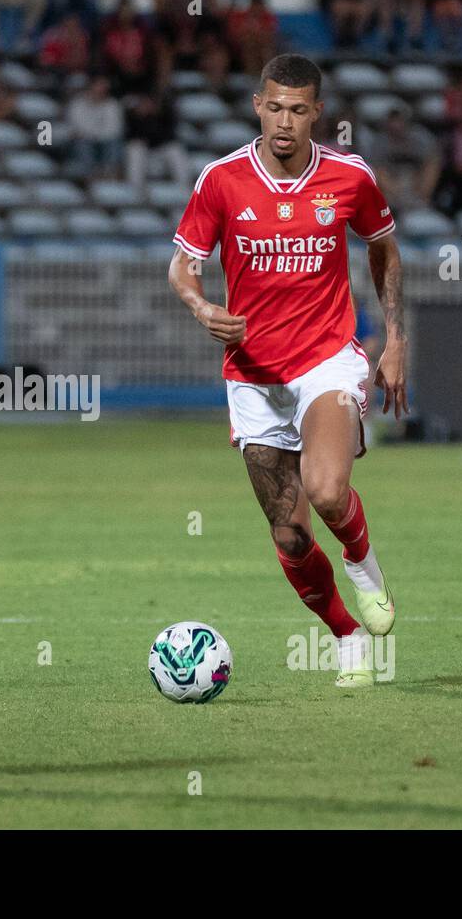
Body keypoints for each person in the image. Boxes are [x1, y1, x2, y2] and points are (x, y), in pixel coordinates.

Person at [167, 54, 404, 689]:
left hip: (326, 358)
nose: (285, 121)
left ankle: (364, 568)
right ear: (257, 105)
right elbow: (182, 268)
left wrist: (394, 339)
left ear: (317, 114)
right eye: (274, 107)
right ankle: (348, 639)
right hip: (251, 378)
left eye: (298, 110)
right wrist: (201, 305)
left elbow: (382, 247)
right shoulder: (221, 181)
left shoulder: (350, 177)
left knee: (326, 492)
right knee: (290, 533)